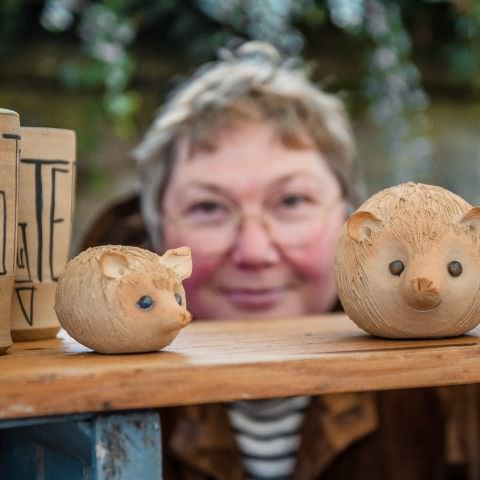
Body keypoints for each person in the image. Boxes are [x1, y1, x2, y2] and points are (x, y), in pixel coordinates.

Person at [83, 42, 468, 480]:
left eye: (291, 200)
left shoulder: (451, 390)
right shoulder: (79, 399)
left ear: (350, 222)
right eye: (208, 208)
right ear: (157, 232)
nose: (254, 252)